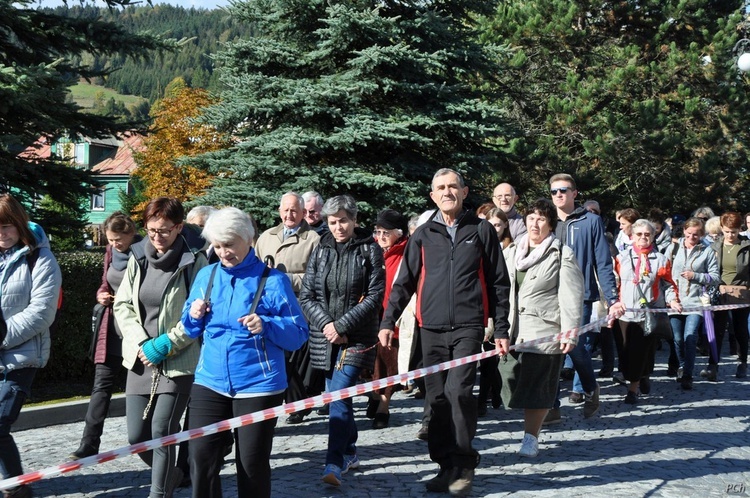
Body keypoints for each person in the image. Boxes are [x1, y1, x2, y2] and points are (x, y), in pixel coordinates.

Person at [380, 168, 511, 497]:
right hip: (432, 329)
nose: (447, 192)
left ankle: (464, 465)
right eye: (441, 187)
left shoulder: (481, 230)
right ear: (433, 195)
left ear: (464, 192)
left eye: (453, 186)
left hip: (468, 327)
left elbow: (499, 282)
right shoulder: (423, 234)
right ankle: (444, 466)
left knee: (459, 393)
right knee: (435, 399)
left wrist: (502, 327)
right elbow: (404, 283)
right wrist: (387, 321)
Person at [181, 207, 308, 498]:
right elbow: (189, 328)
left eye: (230, 244)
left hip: (258, 384)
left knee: (251, 463)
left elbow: (298, 335)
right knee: (199, 456)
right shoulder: (206, 275)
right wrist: (194, 314)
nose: (223, 252)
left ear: (247, 239)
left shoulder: (273, 281)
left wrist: (267, 324)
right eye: (218, 245)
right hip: (210, 380)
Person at [114, 197, 207, 498]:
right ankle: (174, 474)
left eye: (164, 230)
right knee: (136, 437)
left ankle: (159, 494)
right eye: (152, 230)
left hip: (179, 359)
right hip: (141, 359)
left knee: (161, 432)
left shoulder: (195, 261)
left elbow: (198, 316)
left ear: (179, 227)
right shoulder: (137, 255)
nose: (156, 237)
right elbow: (123, 305)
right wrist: (142, 342)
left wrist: (165, 345)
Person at [299, 194, 385, 487]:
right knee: (338, 398)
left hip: (357, 337)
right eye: (333, 222)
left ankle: (333, 461)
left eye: (343, 221)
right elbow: (307, 295)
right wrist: (327, 325)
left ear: (354, 220)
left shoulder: (369, 250)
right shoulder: (320, 249)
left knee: (338, 395)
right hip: (325, 338)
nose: (338, 227)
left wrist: (344, 325)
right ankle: (349, 450)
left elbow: (375, 296)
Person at [500, 199, 584, 457]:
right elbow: (500, 290)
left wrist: (570, 331)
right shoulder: (511, 251)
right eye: (531, 218)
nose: (535, 223)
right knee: (508, 380)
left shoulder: (561, 253)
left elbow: (571, 294)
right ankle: (541, 415)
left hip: (545, 330)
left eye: (541, 219)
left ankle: (530, 437)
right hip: (513, 330)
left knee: (538, 387)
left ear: (550, 225)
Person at [0, 194, 62, 498]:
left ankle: (17, 488)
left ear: (20, 223)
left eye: (7, 226)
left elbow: (41, 312)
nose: (2, 233)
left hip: (20, 358)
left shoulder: (41, 258)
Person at [69, 212, 142, 461]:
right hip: (111, 328)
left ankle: (153, 443)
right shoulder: (111, 253)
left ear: (131, 233)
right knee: (101, 386)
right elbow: (105, 281)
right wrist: (102, 294)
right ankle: (89, 443)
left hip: (138, 331)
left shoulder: (145, 251)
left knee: (141, 390)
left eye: (118, 240)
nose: (114, 244)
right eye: (110, 240)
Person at [549, 174, 620, 422]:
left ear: (574, 193)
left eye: (563, 190)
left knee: (575, 346)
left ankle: (590, 387)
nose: (558, 195)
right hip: (549, 295)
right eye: (554, 191)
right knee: (552, 350)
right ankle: (552, 405)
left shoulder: (591, 221)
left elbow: (602, 262)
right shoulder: (547, 221)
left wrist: (612, 298)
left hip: (582, 295)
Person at [255, 192, 321, 425]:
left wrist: (286, 279)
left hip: (297, 308)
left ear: (303, 213)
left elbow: (317, 278)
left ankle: (298, 403)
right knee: (277, 357)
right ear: (279, 211)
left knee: (291, 359)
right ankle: (293, 401)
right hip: (267, 308)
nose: (289, 214)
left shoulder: (312, 239)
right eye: (285, 210)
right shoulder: (266, 237)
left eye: (294, 210)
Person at [612, 219, 681, 404]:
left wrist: (672, 300)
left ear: (653, 236)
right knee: (625, 353)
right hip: (624, 314)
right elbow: (613, 282)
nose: (643, 237)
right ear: (632, 236)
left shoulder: (661, 259)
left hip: (649, 314)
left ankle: (632, 390)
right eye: (639, 234)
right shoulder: (621, 258)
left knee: (639, 351)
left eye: (647, 234)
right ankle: (642, 375)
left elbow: (668, 284)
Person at [367, 209, 409, 429]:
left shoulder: (405, 253)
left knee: (386, 361)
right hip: (370, 315)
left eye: (386, 232)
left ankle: (384, 405)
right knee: (370, 362)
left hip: (392, 317)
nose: (380, 236)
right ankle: (374, 396)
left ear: (398, 233)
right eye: (378, 231)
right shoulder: (373, 250)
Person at [666, 217, 719, 390]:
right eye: (689, 234)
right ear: (684, 232)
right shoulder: (673, 248)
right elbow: (664, 276)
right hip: (675, 301)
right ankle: (681, 365)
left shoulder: (707, 251)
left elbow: (715, 277)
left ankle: (688, 374)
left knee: (690, 337)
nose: (691, 238)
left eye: (696, 235)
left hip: (695, 302)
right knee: (678, 339)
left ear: (701, 234)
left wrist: (696, 276)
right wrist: (670, 299)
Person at [701, 212, 750, 380]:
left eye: (734, 232)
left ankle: (742, 362)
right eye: (728, 231)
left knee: (740, 329)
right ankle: (713, 364)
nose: (730, 235)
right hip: (719, 293)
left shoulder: (747, 246)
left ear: (739, 229)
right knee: (717, 330)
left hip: (741, 292)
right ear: (722, 229)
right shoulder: (714, 247)